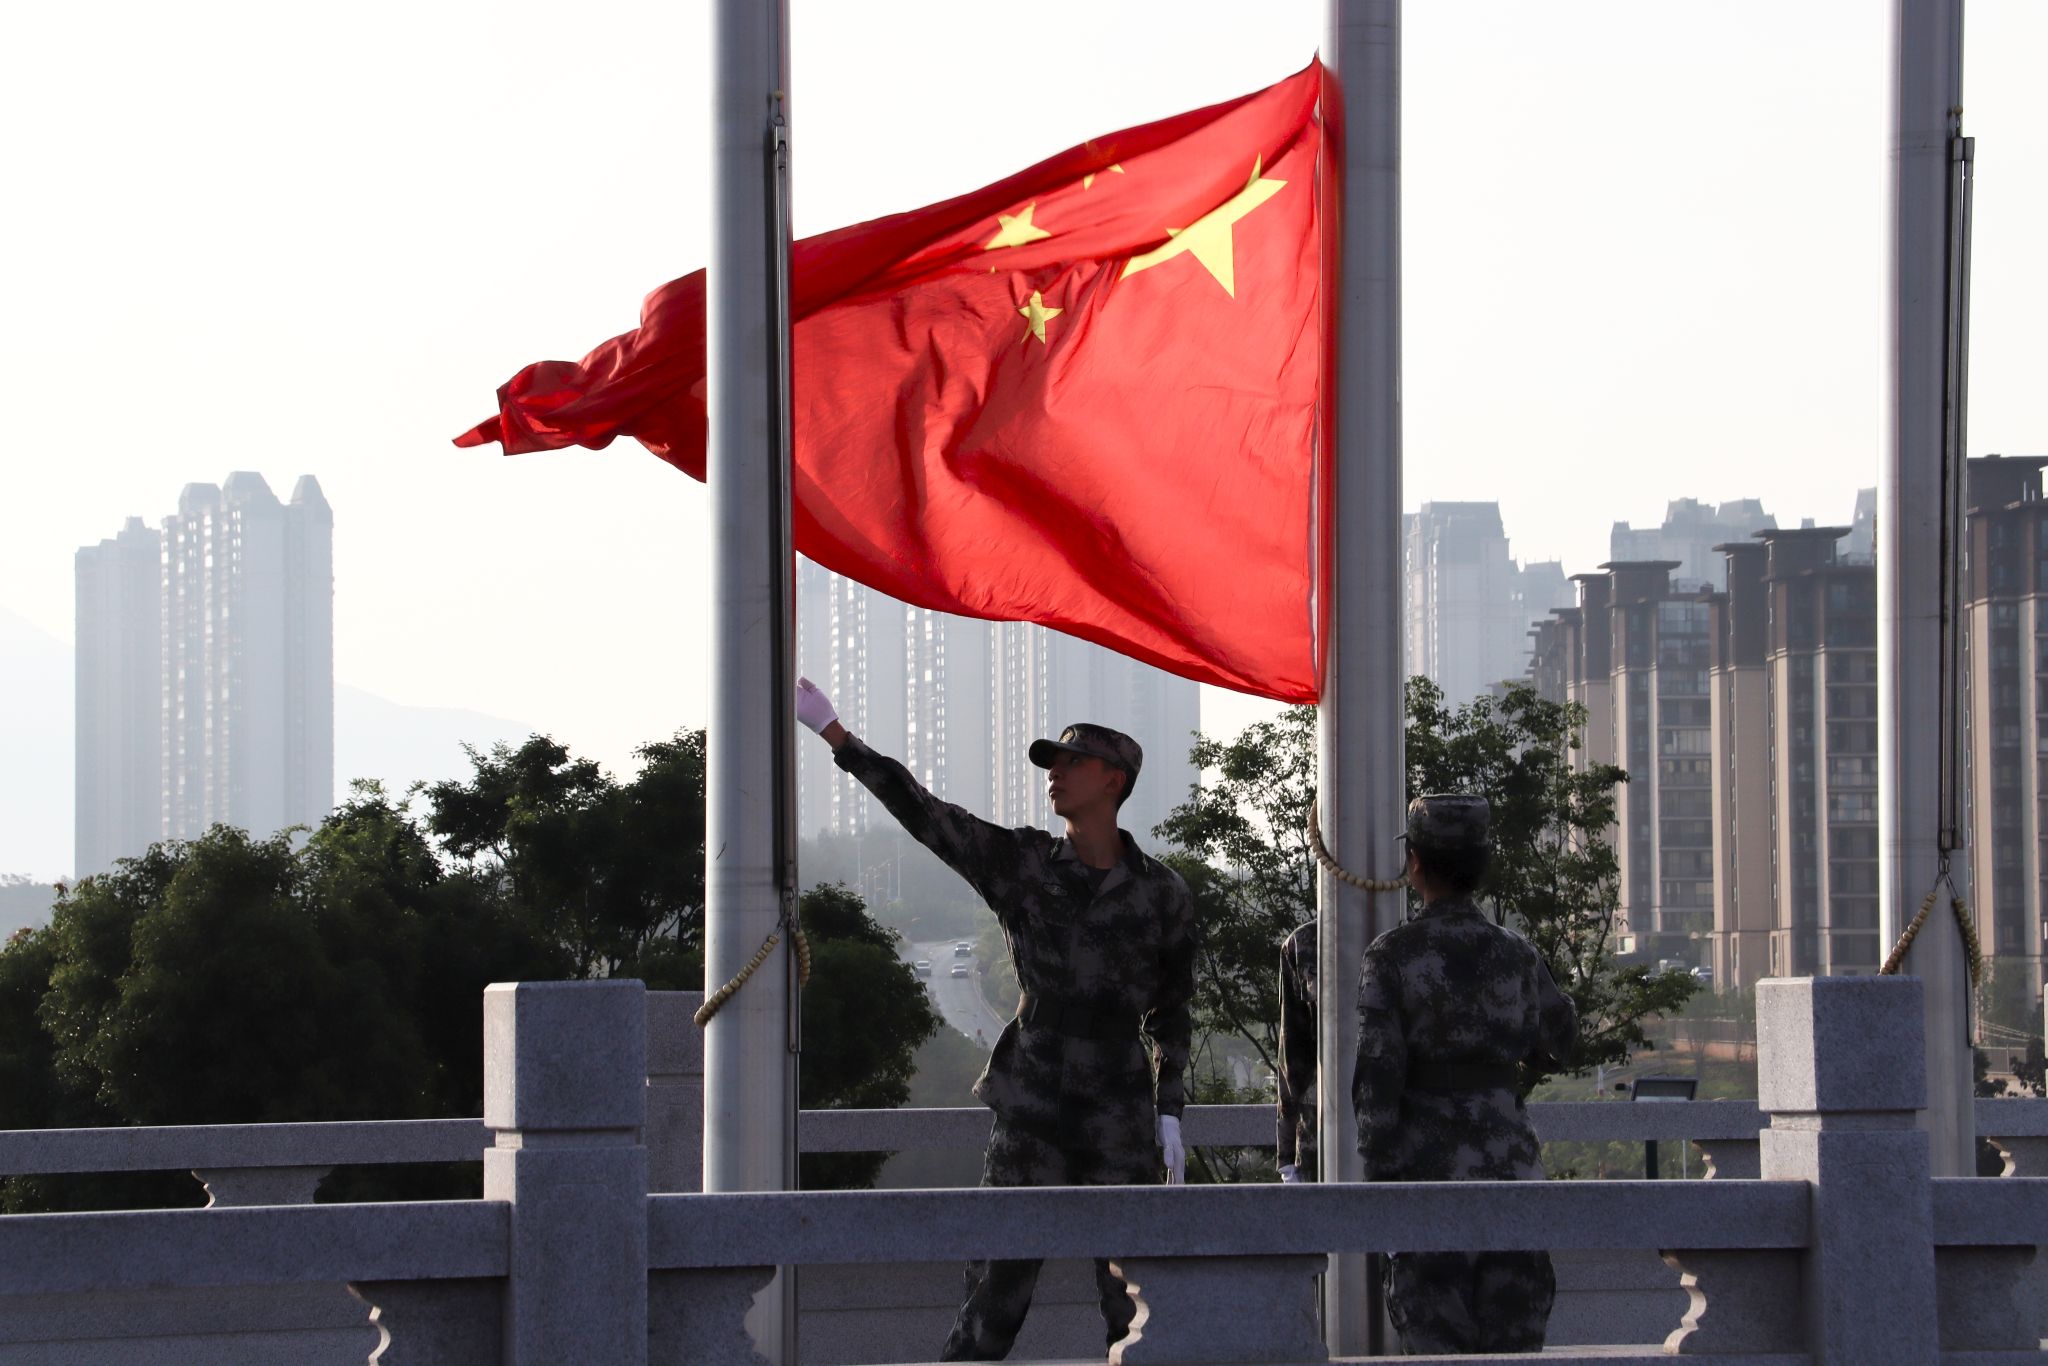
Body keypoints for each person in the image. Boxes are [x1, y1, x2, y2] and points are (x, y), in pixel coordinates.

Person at [796, 676, 1196, 1361]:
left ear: (1114, 780)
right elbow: (927, 814)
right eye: (1052, 763)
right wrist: (838, 736)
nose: (1055, 774)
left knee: (1136, 1300)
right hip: (1031, 1101)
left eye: (1072, 763)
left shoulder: (1163, 893)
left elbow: (1173, 1009)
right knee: (993, 1296)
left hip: (1119, 1109)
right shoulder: (1023, 864)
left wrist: (1170, 1113)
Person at [1352, 795, 1577, 1356]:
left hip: (1425, 1181)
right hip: (1511, 1172)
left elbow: (1376, 1082)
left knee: (1437, 1344)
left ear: (1415, 863)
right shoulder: (1516, 953)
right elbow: (1561, 1043)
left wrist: (1378, 1186)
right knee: (1515, 1344)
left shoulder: (1392, 955)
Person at [1275, 921, 1316, 1183]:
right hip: (1321, 1133)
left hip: (1410, 1134)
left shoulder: (1409, 940)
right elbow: (1292, 1058)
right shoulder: (1304, 944)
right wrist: (1287, 1157)